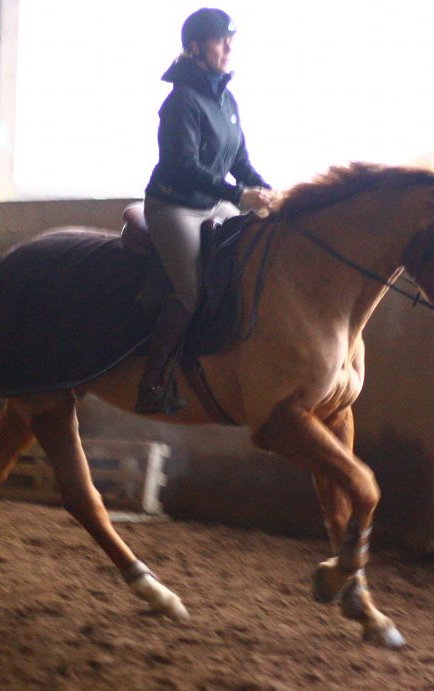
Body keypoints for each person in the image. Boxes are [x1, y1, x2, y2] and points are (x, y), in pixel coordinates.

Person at [137, 7, 275, 415]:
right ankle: (152, 382)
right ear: (195, 47)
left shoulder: (226, 99)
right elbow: (184, 166)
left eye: (231, 40)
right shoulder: (180, 101)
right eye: (220, 40)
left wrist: (269, 191)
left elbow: (240, 162)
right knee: (190, 290)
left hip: (213, 203)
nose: (229, 47)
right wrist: (238, 195)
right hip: (175, 206)